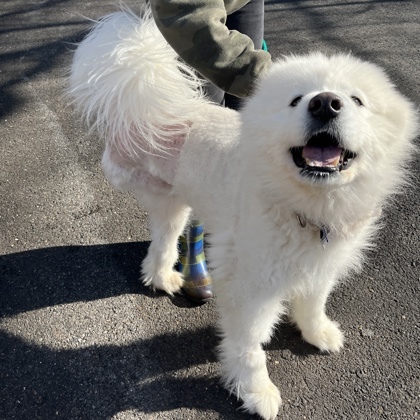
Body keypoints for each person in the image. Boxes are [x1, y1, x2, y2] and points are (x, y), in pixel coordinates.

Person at [149, 0, 272, 302]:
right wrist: (275, 82)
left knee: (247, 121)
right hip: (191, 7)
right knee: (196, 133)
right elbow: (183, 13)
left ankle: (238, 227)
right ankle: (194, 237)